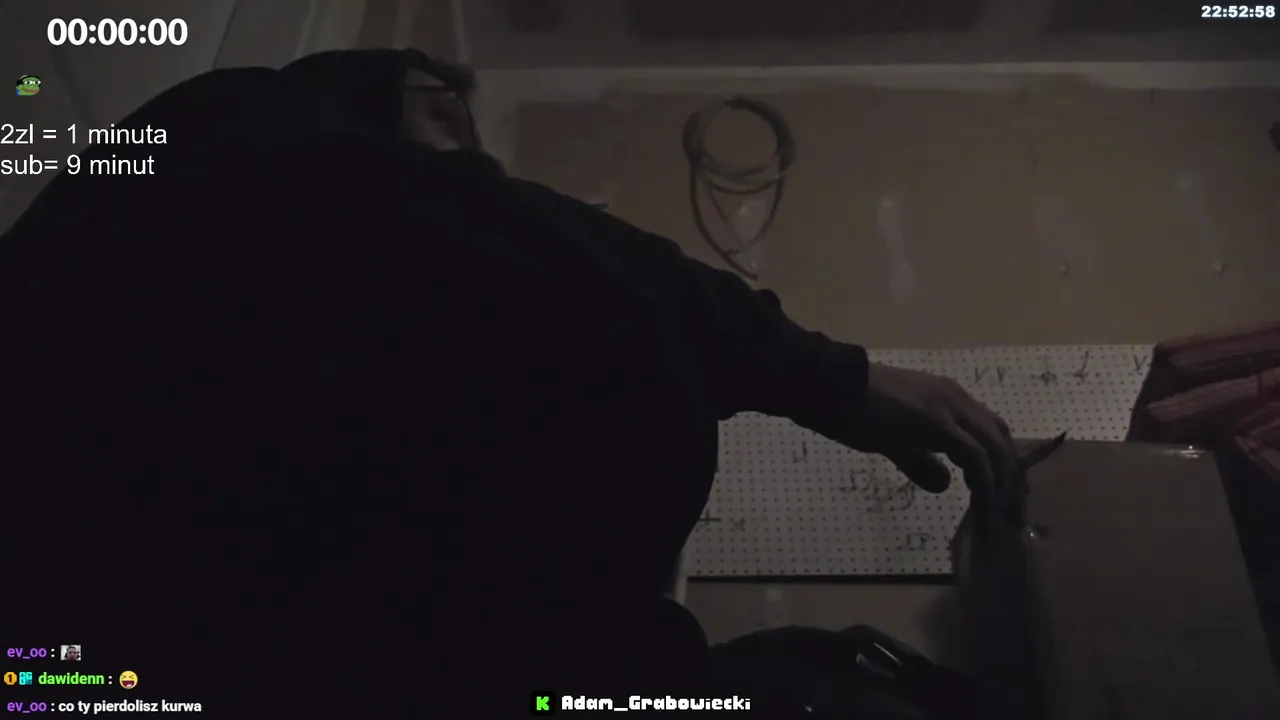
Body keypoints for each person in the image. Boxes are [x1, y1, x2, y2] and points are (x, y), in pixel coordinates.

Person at [0, 49, 1016, 717]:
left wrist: (831, 382)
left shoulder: (207, 191)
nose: (487, 186)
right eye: (466, 155)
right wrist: (830, 380)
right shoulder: (244, 136)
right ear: (421, 102)